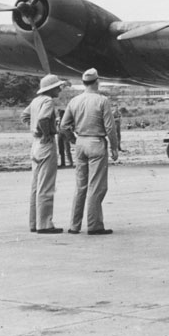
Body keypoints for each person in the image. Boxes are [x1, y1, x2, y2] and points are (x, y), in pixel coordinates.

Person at [60, 68, 119, 234]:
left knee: (80, 186)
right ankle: (94, 225)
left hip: (81, 142)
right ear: (97, 82)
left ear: (84, 82)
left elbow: (63, 126)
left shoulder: (74, 101)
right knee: (96, 186)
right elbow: (110, 127)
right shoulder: (102, 101)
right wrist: (114, 146)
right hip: (96, 142)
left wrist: (73, 139)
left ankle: (74, 225)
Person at [21, 74, 68, 234]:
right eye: (58, 87)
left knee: (36, 185)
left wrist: (33, 128)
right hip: (45, 143)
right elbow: (43, 119)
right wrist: (46, 133)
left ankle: (34, 222)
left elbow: (25, 115)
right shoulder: (47, 101)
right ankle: (45, 223)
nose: (59, 90)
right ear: (51, 88)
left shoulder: (35, 101)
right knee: (46, 185)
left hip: (35, 144)